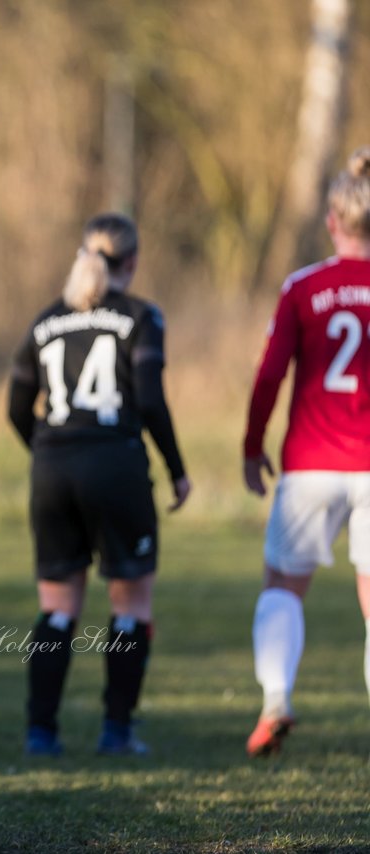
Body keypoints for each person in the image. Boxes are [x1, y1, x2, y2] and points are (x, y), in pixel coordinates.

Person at [7, 213, 191, 758]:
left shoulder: (45, 321)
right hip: (118, 468)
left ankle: (41, 733)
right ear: (131, 262)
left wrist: (46, 451)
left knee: (58, 608)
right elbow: (152, 400)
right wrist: (178, 469)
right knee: (130, 604)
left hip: (53, 472)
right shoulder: (141, 317)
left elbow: (17, 406)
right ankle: (116, 730)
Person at [242, 148, 370, 758]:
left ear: (332, 221)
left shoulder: (303, 287)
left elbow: (270, 376)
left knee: (282, 587)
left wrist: (251, 446)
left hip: (312, 464)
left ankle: (275, 699)